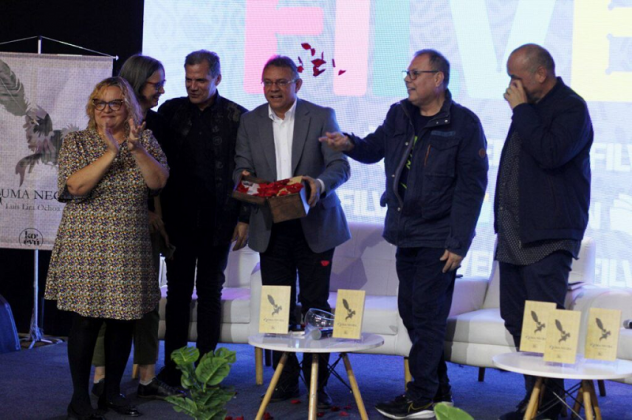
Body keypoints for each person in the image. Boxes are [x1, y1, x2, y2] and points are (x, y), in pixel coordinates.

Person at [320, 49, 488, 419]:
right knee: (412, 313)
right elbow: (374, 148)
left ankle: (421, 396)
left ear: (438, 78)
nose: (408, 79)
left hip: (439, 236)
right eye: (407, 72)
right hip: (404, 232)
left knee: (427, 316)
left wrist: (459, 242)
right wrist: (348, 144)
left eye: (415, 73)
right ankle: (439, 391)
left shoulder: (463, 124)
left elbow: (472, 189)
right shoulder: (399, 113)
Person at [44, 76, 169, 419]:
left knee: (123, 321)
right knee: (85, 321)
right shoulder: (77, 141)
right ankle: (79, 398)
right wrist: (111, 152)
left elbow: (158, 182)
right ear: (92, 107)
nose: (107, 110)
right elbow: (75, 186)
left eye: (115, 103)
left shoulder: (144, 140)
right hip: (86, 244)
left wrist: (136, 149)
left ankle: (111, 392)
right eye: (100, 103)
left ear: (129, 107)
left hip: (128, 244)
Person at [234, 55, 350, 408]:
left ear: (297, 84)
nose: (274, 89)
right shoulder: (250, 120)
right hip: (271, 225)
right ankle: (285, 381)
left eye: (281, 82)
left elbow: (340, 166)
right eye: (268, 82)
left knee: (316, 305)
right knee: (277, 306)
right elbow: (241, 167)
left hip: (316, 225)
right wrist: (245, 181)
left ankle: (317, 381)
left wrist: (319, 183)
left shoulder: (321, 115)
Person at [495, 44, 593, 420]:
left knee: (545, 322)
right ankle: (537, 397)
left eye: (516, 77)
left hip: (549, 235)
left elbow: (551, 153)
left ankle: (551, 407)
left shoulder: (570, 107)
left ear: (541, 74)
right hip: (514, 232)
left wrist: (521, 110)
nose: (512, 86)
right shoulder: (530, 107)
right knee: (516, 318)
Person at [90, 54, 183, 401]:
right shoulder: (105, 125)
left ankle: (146, 376)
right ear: (139, 82)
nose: (161, 90)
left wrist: (155, 213)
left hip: (149, 228)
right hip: (111, 227)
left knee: (147, 301)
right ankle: (100, 376)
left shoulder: (154, 124)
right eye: (156, 84)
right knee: (105, 301)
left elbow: (159, 175)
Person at [156, 50, 249, 387]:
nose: (193, 86)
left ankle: (207, 370)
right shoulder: (170, 112)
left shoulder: (238, 116)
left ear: (217, 79)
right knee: (178, 293)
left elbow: (246, 171)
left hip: (219, 218)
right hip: (177, 218)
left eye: (200, 80)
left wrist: (244, 217)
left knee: (210, 292)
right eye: (188, 79)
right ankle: (173, 368)